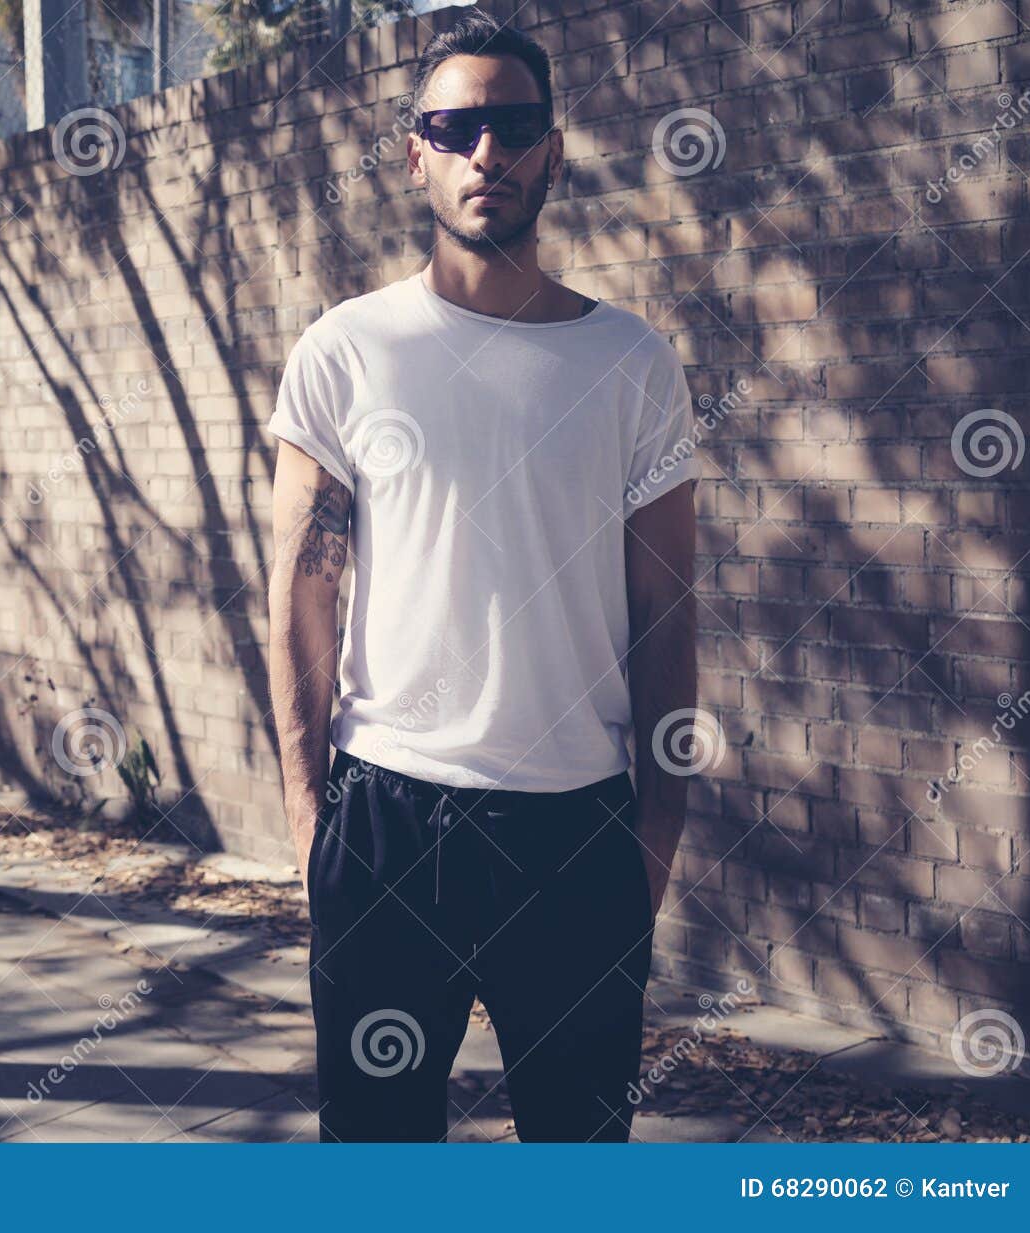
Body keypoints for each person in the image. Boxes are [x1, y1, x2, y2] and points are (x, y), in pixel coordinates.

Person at [265, 11, 701, 1143]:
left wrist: (655, 829)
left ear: (553, 149)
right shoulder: (345, 352)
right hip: (385, 826)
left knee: (575, 1154)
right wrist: (309, 814)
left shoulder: (630, 366)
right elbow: (304, 591)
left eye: (512, 126)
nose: (485, 154)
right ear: (413, 152)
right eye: (453, 128)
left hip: (573, 834)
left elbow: (664, 609)